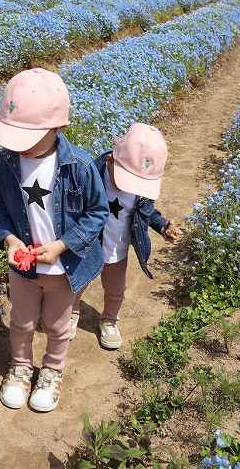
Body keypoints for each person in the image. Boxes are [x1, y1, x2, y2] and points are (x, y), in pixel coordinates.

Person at [0, 68, 109, 413]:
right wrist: (9, 238)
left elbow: (97, 213)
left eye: (26, 137)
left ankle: (52, 371)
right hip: (23, 267)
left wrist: (62, 245)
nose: (15, 145)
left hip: (64, 268)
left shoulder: (80, 166)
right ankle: (21, 367)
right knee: (21, 322)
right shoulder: (7, 161)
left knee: (57, 325)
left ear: (57, 128)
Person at [70, 123, 181, 349]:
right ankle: (71, 312)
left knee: (115, 290)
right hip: (90, 245)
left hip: (117, 249)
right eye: (127, 180)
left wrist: (162, 226)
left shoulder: (140, 189)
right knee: (77, 282)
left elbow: (146, 213)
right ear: (111, 159)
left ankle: (110, 320)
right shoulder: (92, 174)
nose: (130, 187)